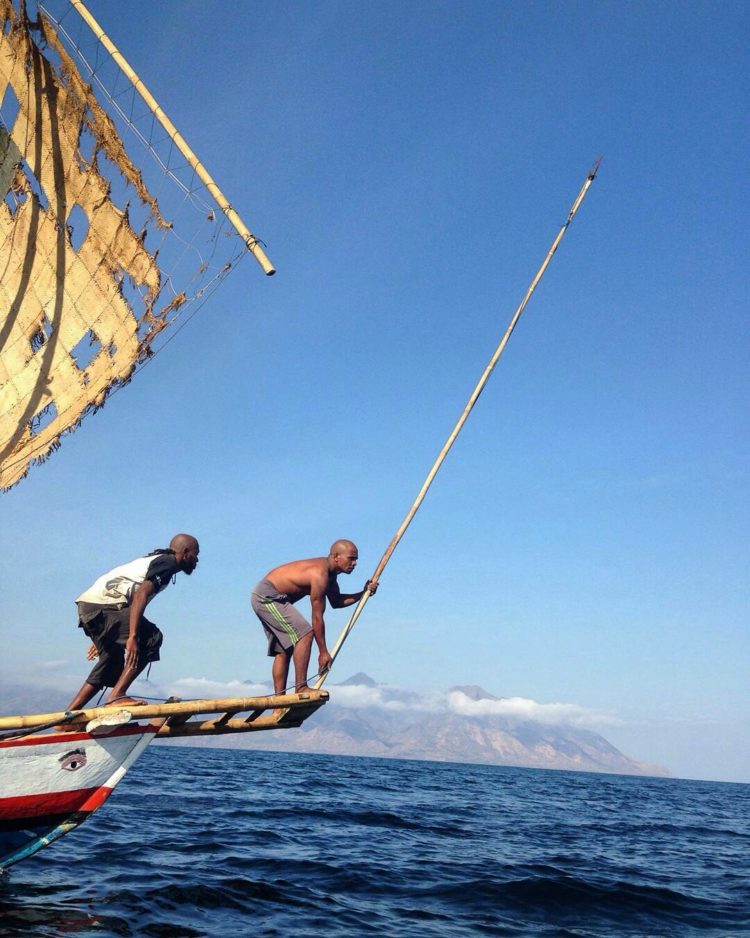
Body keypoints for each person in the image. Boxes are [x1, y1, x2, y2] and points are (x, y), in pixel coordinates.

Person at [66, 534, 200, 710]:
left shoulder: (155, 561)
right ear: (186, 552)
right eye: (196, 555)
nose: (197, 560)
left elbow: (131, 600)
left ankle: (68, 717)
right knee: (152, 638)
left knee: (112, 658)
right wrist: (133, 636)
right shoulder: (168, 562)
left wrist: (105, 636)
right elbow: (140, 595)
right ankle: (116, 696)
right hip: (104, 608)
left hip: (92, 608)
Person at [251, 539, 378, 695]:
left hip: (271, 597)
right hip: (267, 597)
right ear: (336, 556)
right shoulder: (320, 574)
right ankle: (301, 688)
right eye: (351, 558)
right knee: (305, 634)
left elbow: (336, 601)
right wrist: (323, 652)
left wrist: (363, 592)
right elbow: (317, 617)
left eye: (356, 559)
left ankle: (278, 705)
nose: (354, 563)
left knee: (284, 650)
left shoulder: (330, 576)